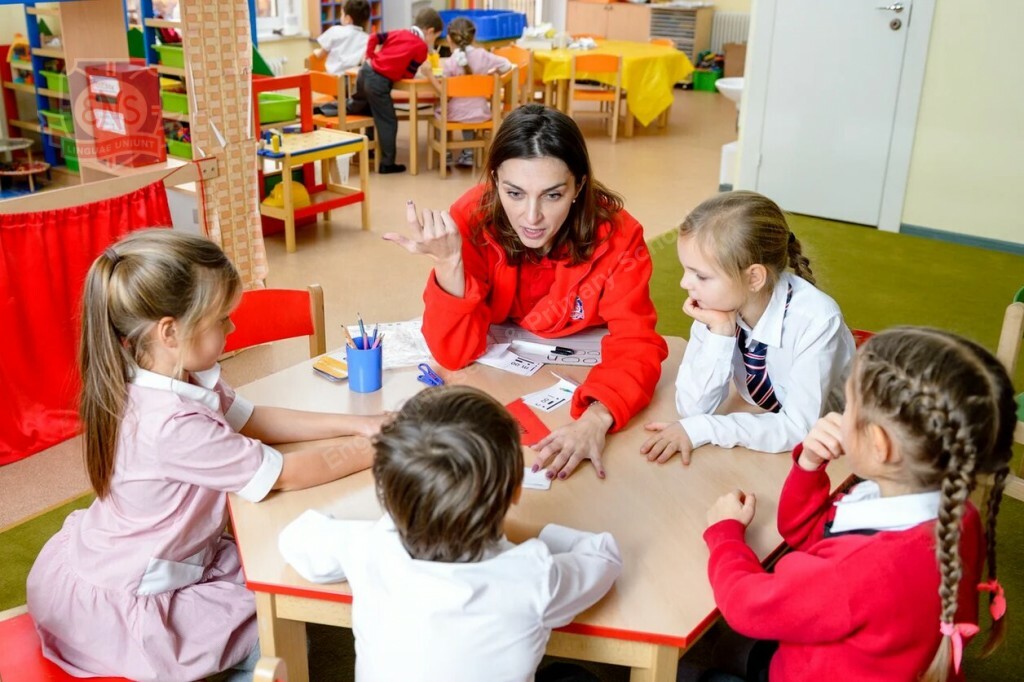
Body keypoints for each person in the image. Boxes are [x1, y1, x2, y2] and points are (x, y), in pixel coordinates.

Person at [26, 230, 384, 682]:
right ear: (170, 331)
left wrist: (356, 425)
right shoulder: (173, 426)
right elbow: (286, 475)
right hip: (129, 594)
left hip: (121, 553)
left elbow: (253, 418)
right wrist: (378, 448)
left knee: (274, 572)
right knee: (280, 640)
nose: (232, 329)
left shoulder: (168, 372)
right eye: (221, 319)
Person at [702, 327, 1013, 681]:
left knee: (704, 665)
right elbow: (807, 534)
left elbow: (747, 606)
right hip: (873, 660)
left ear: (879, 444)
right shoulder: (958, 512)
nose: (838, 415)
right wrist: (810, 466)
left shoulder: (855, 569)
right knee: (733, 649)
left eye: (847, 405)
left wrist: (724, 535)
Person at [385, 104, 668, 481]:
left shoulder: (618, 235)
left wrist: (597, 418)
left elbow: (636, 342)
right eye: (514, 193)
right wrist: (449, 264)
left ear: (579, 185)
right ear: (494, 180)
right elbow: (453, 355)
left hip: (582, 376)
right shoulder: (471, 215)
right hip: (499, 384)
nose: (531, 217)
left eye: (552, 195)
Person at [279, 385, 623, 682]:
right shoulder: (533, 575)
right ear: (515, 492)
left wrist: (390, 519)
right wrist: (526, 532)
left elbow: (295, 540)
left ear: (384, 487)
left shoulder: (368, 545)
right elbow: (604, 556)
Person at [641, 190, 855, 464]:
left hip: (838, 443)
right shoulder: (716, 305)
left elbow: (799, 429)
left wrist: (705, 429)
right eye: (686, 269)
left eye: (700, 275)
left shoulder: (817, 320)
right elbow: (692, 408)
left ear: (754, 277)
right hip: (762, 424)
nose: (685, 283)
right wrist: (719, 333)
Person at [347, 7, 443, 174]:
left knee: (360, 106)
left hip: (365, 72)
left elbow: (374, 37)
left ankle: (323, 109)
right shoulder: (421, 48)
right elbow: (408, 74)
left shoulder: (398, 32)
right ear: (430, 31)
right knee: (388, 121)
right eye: (434, 37)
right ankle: (387, 164)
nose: (433, 41)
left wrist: (369, 56)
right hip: (379, 82)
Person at [417, 16, 512, 168]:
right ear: (473, 36)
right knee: (468, 112)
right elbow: (507, 66)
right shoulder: (484, 55)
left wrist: (429, 75)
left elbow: (444, 93)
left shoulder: (450, 63)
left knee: (439, 111)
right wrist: (492, 76)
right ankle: (468, 153)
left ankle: (446, 154)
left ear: (449, 39)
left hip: (454, 114)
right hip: (480, 112)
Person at [312, 0, 370, 76]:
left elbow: (320, 55)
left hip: (332, 80)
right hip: (352, 80)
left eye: (341, 14)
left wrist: (315, 51)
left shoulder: (335, 30)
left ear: (348, 18)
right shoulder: (367, 39)